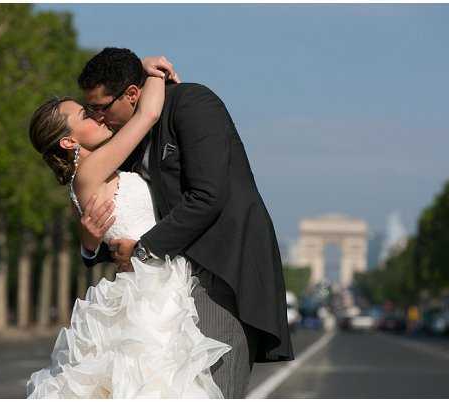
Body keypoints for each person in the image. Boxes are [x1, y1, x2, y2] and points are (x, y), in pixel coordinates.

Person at [77, 48, 294, 398]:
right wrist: (91, 246)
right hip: (165, 286)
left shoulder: (192, 103)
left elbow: (208, 196)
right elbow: (133, 215)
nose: (97, 118)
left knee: (211, 390)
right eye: (90, 110)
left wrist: (142, 251)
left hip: (219, 272)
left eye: (101, 108)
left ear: (132, 95)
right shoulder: (129, 136)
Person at [25, 59, 231, 398]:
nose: (97, 115)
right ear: (67, 142)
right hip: (152, 288)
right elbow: (147, 115)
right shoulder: (91, 172)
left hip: (149, 280)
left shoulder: (93, 173)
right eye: (86, 115)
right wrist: (149, 70)